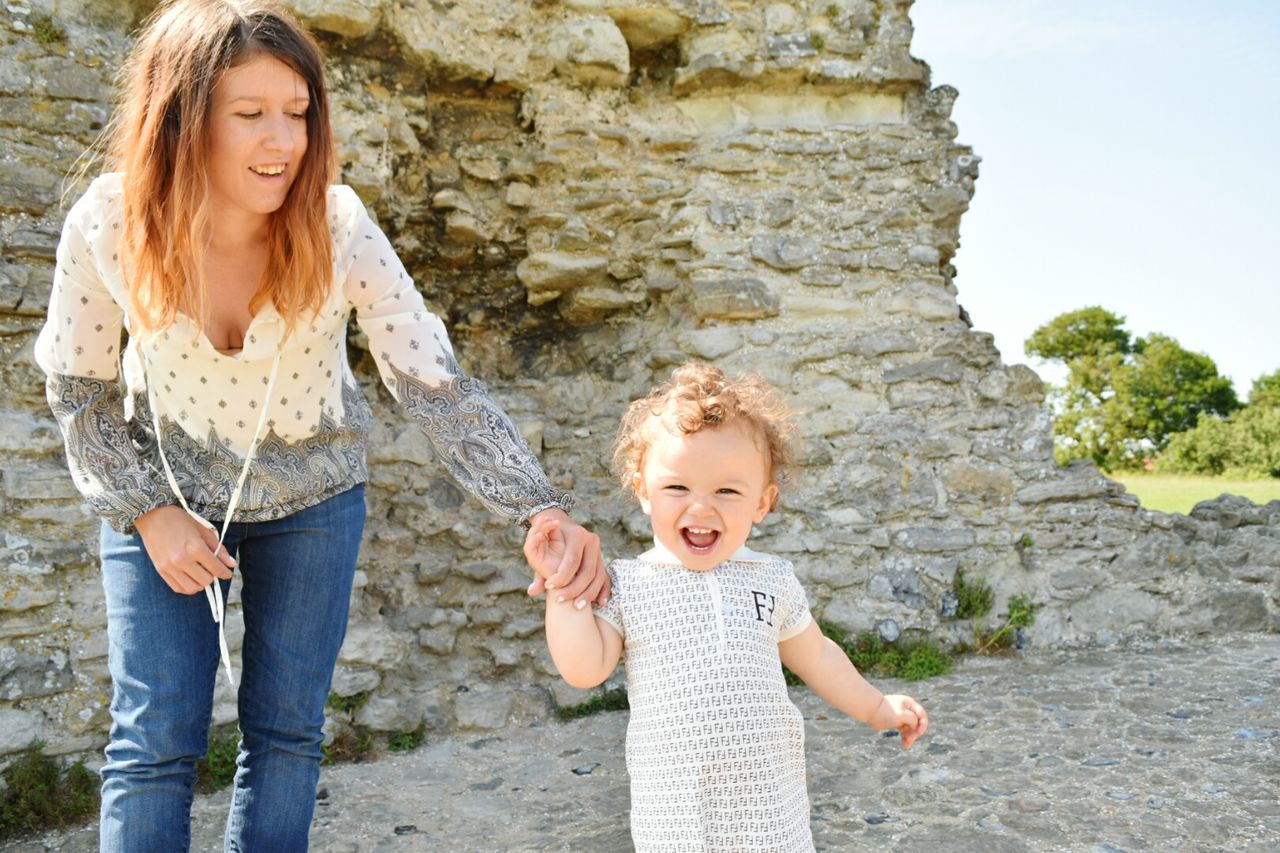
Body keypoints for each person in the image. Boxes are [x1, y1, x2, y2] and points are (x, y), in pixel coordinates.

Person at [35, 1, 604, 849]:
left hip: (315, 502)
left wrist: (539, 507)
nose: (284, 141)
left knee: (288, 736)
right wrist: (150, 512)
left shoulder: (338, 225)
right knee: (152, 742)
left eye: (298, 114)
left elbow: (433, 384)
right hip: (165, 498)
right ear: (184, 119)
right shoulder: (109, 224)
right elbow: (78, 388)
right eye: (250, 114)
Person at [528, 363, 929, 852]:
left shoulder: (771, 579)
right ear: (642, 489)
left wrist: (877, 707)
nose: (701, 508)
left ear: (762, 502)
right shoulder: (626, 584)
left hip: (768, 809)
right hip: (676, 815)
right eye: (677, 487)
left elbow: (818, 656)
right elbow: (584, 669)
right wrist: (562, 582)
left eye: (727, 490)